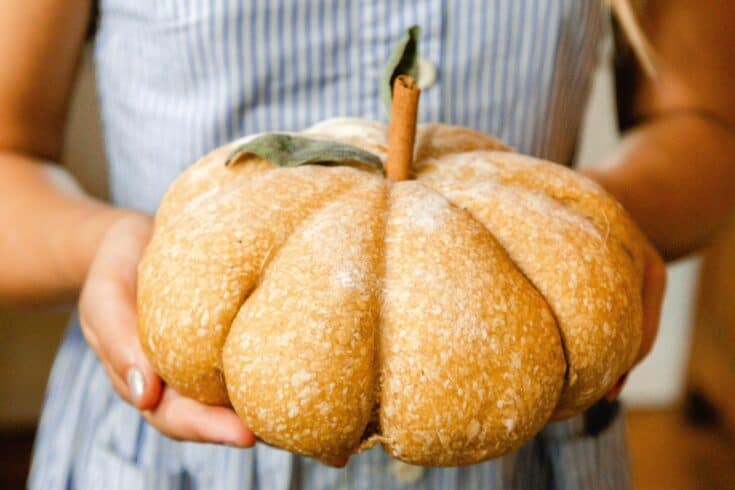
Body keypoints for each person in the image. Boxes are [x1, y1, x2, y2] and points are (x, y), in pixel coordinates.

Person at [2, 0, 733, 488]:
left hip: (528, 445)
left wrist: (587, 233)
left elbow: (703, 122)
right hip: (170, 457)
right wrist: (104, 244)